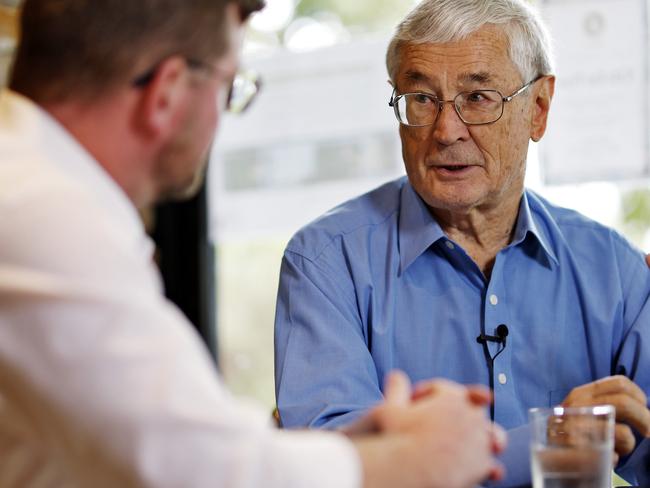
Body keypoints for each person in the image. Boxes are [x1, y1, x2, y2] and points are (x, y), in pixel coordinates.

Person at [0, 1, 505, 487]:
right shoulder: (42, 213)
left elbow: (144, 433)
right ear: (168, 93)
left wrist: (351, 448)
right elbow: (195, 470)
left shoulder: (32, 183)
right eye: (230, 89)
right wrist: (415, 461)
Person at [274, 0, 650, 486]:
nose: (446, 132)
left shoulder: (614, 270)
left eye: (477, 98)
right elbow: (336, 469)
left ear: (537, 110)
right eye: (422, 99)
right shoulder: (327, 262)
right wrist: (551, 441)